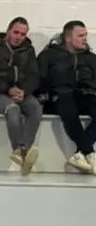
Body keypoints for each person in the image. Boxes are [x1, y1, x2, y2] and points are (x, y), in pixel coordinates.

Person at [0, 17, 43, 175]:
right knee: (12, 109)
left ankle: (23, 152)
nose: (18, 37)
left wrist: (24, 91)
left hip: (20, 92)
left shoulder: (28, 50)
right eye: (16, 32)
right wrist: (7, 90)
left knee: (35, 108)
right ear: (8, 30)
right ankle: (19, 149)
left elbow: (34, 76)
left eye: (22, 34)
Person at [36, 20, 96, 174]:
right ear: (68, 38)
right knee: (67, 105)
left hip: (85, 95)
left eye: (85, 35)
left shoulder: (91, 58)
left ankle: (80, 154)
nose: (85, 39)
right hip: (58, 96)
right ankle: (88, 152)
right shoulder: (49, 55)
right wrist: (44, 95)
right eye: (81, 35)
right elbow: (39, 79)